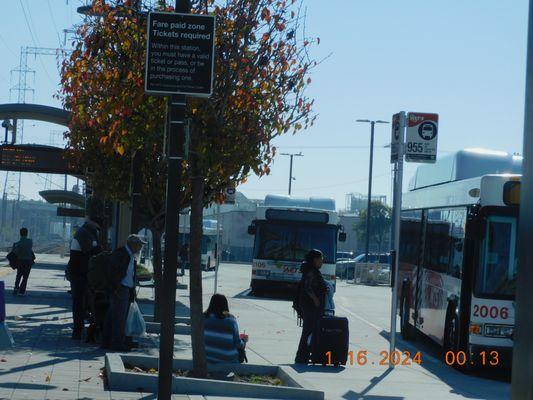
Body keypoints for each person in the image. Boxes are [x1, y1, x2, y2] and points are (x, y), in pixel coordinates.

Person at [102, 234, 146, 352]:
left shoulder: (130, 255)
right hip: (120, 289)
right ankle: (116, 343)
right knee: (119, 318)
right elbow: (112, 272)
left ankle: (107, 341)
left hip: (124, 289)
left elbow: (129, 273)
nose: (141, 248)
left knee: (114, 316)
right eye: (139, 245)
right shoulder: (121, 254)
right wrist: (115, 288)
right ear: (133, 244)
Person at [66, 219, 101, 340]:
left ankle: (81, 330)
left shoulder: (86, 232)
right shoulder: (84, 234)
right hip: (79, 274)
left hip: (81, 274)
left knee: (82, 303)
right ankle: (78, 331)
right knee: (79, 303)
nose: (98, 228)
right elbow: (92, 251)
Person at [294, 249, 328, 364]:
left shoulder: (311, 269)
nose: (322, 262)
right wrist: (315, 299)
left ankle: (304, 355)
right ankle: (301, 356)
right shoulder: (311, 271)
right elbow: (307, 287)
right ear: (315, 260)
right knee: (308, 330)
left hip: (309, 305)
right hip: (310, 305)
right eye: (321, 260)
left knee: (309, 330)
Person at [203, 293, 248, 363]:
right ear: (225, 305)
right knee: (241, 344)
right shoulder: (230, 319)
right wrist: (244, 341)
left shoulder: (203, 317)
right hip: (227, 358)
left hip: (206, 356)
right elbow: (237, 343)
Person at [12, 228, 34, 296]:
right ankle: (22, 291)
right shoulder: (30, 241)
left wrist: (15, 247)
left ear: (20, 233)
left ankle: (16, 287)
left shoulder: (18, 243)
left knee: (19, 275)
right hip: (28, 261)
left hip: (20, 261)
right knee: (25, 277)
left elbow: (15, 252)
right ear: (27, 233)